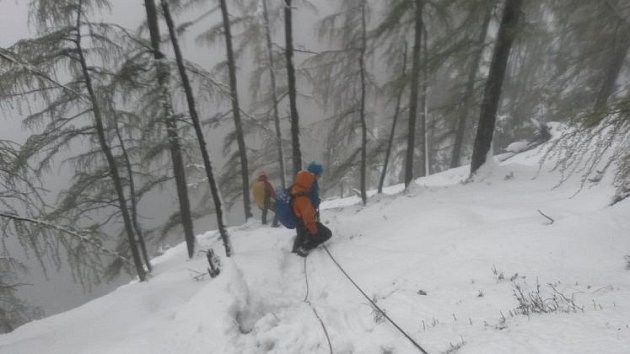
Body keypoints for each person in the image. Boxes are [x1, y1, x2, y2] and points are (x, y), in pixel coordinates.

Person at [291, 164, 332, 256]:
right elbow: (308, 216)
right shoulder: (306, 189)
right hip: (306, 215)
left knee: (302, 232)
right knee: (326, 233)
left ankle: (296, 249)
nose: (320, 176)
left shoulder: (298, 187)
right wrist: (314, 231)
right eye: (319, 174)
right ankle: (303, 248)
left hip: (302, 215)